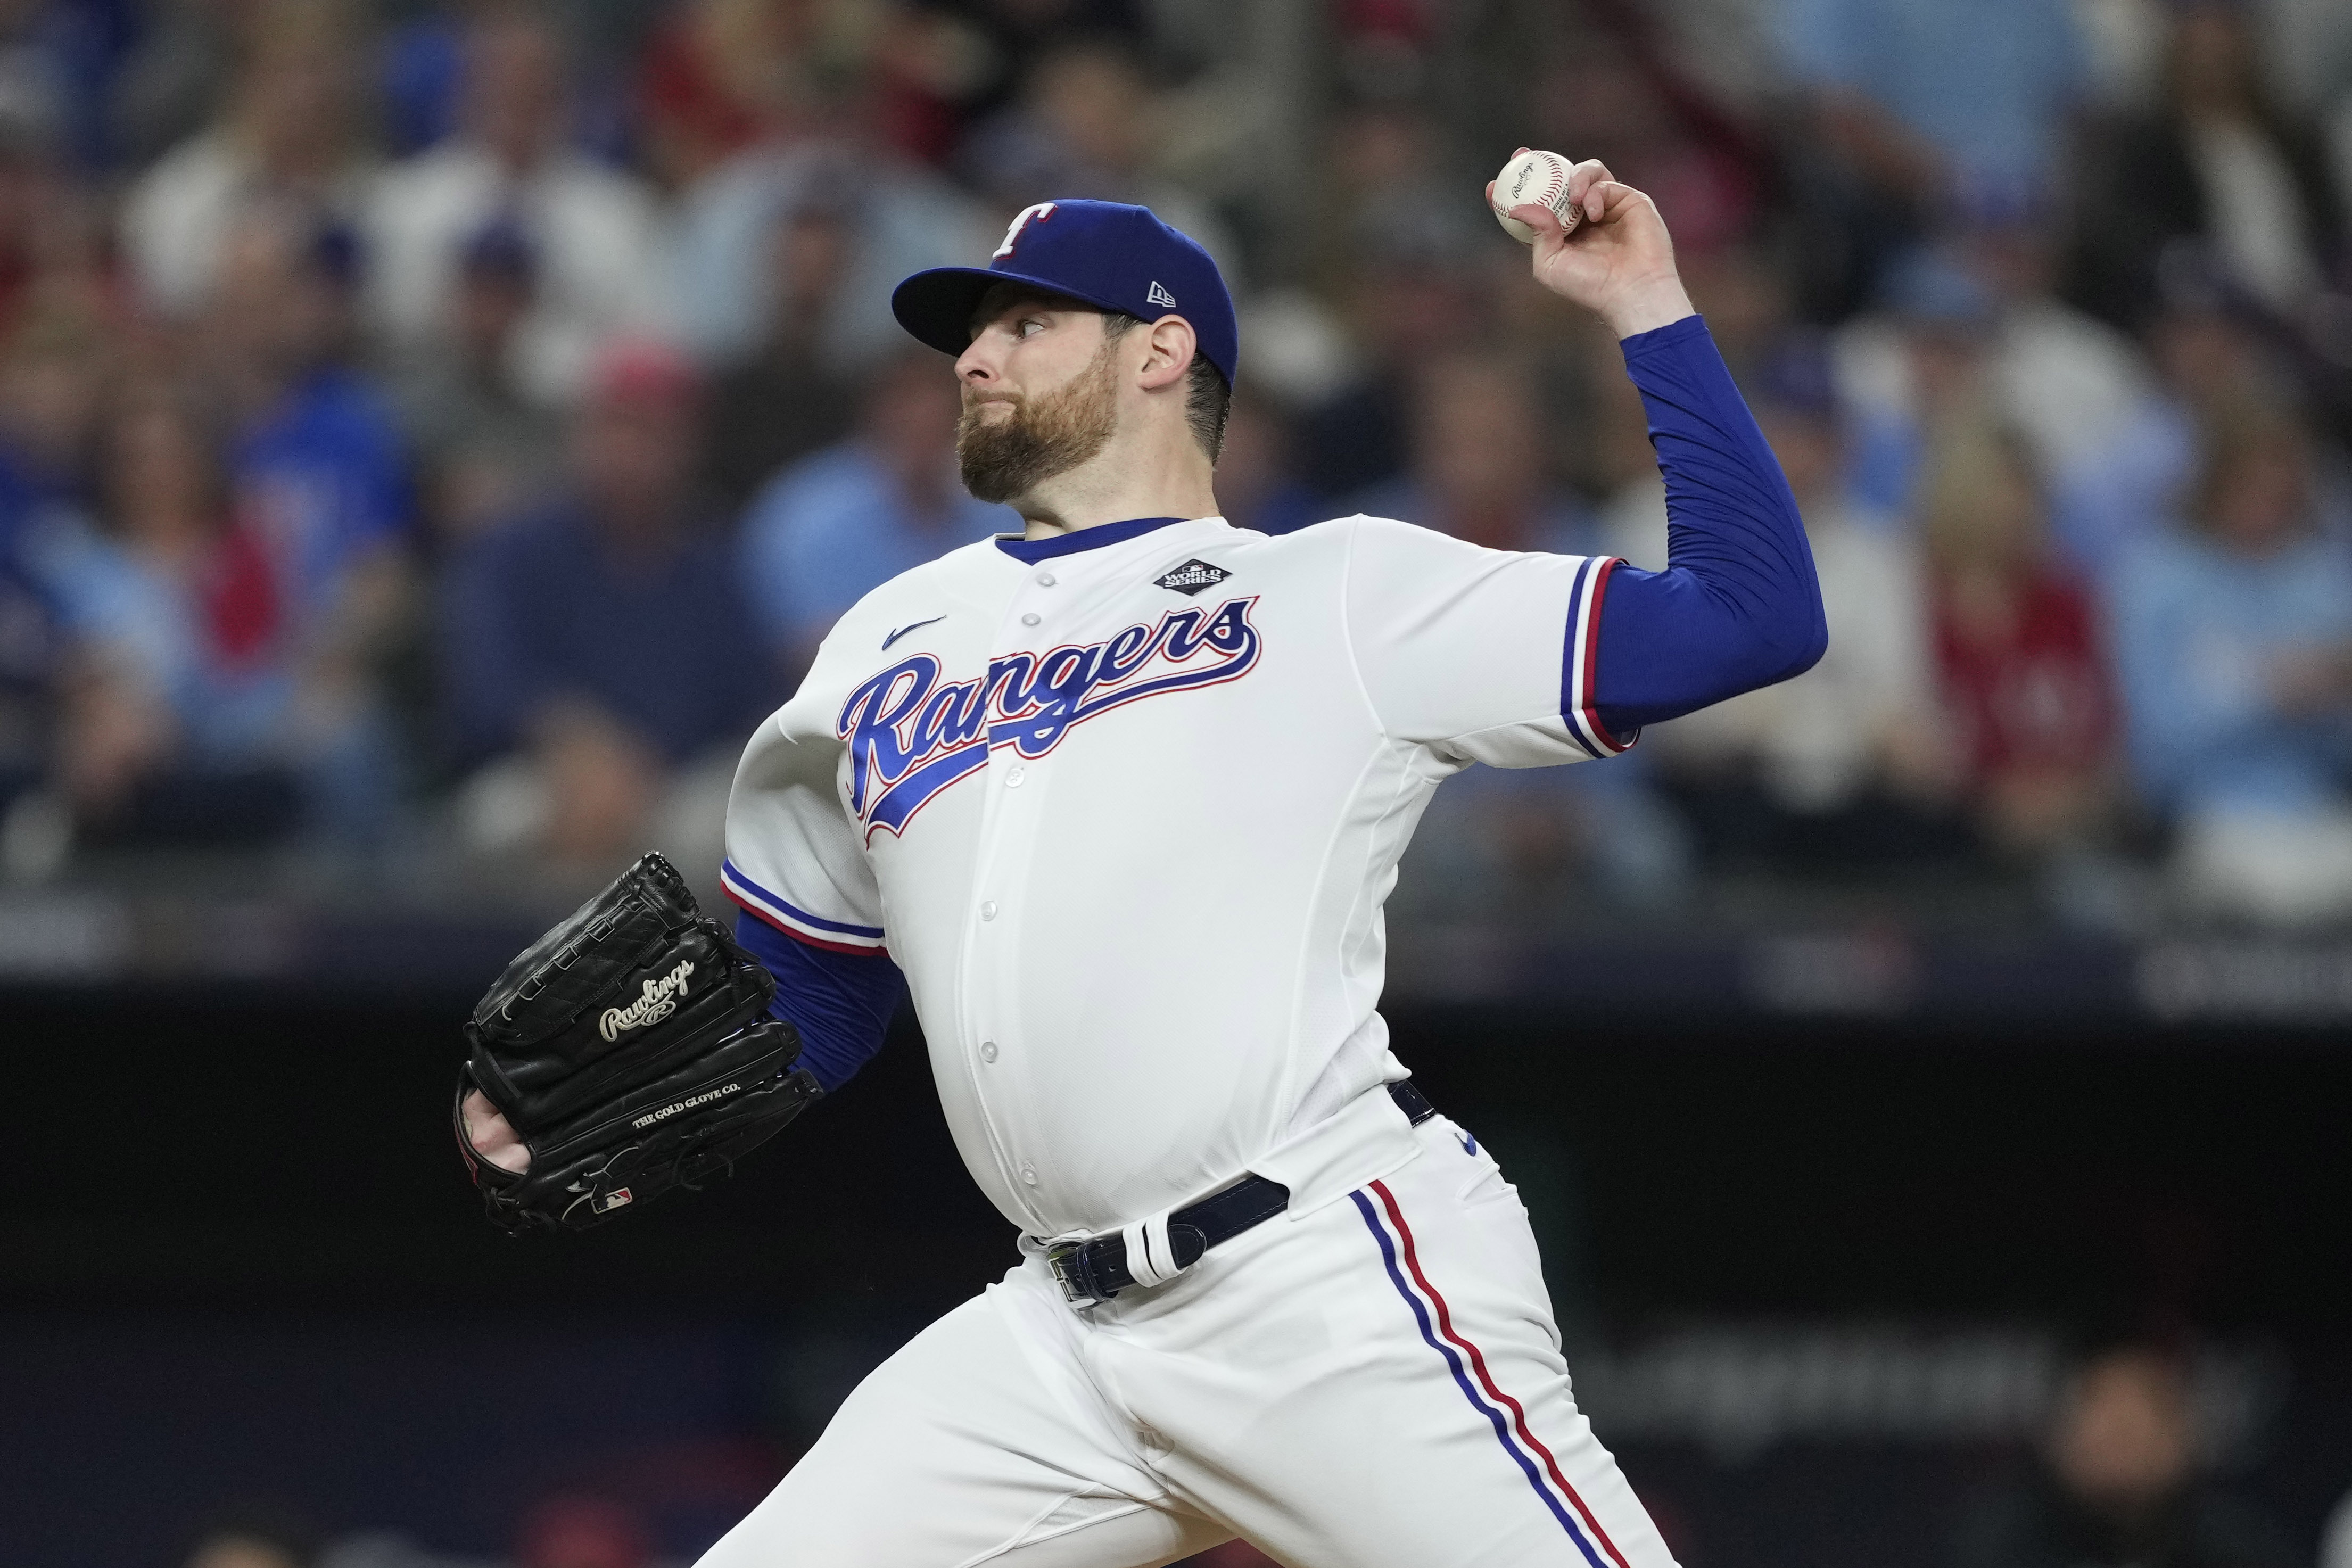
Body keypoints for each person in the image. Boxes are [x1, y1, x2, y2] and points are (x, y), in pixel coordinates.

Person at [469, 174, 1823, 1565]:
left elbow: (1749, 616)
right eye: (971, 332)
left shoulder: (1336, 595)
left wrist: (1646, 306)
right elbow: (815, 987)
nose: (975, 355)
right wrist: (624, 1097)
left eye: (1026, 323)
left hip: (1320, 1288)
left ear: (1161, 350)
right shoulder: (889, 638)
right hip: (1061, 1345)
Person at [439, 337, 772, 885]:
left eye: (651, 433)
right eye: (614, 428)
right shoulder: (517, 546)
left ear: (688, 446)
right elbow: (485, 688)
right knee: (491, 821)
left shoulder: (715, 558)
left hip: (672, 783)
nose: (629, 452)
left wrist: (638, 768)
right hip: (544, 773)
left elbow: (754, 702)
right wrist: (573, 743)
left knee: (720, 830)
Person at [2107, 394, 2352, 923]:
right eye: (2254, 491)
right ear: (2215, 484)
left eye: (2283, 496)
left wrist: (2332, 700)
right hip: (2206, 819)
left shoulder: (2319, 579)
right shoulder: (2159, 577)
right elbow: (2155, 752)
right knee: (2287, 890)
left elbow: (2340, 755)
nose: (2269, 509)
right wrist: (2267, 693)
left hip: (2321, 812)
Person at [364, 2, 669, 409]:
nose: (518, 114)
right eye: (502, 94)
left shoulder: (619, 215)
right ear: (465, 98)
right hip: (432, 420)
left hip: (568, 419)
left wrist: (537, 351)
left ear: (568, 104)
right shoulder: (404, 204)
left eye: (537, 95)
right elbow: (382, 330)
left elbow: (645, 349)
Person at [738, 348, 1014, 679]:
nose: (926, 416)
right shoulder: (805, 511)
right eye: (908, 401)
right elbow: (807, 649)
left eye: (940, 403)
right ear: (875, 409)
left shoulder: (1004, 506)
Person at [1951, 1340, 2297, 1568]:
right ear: (2060, 1438)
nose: (2120, 1447)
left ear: (2182, 1438)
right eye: (2103, 1425)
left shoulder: (2236, 1545)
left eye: (2138, 1426)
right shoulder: (2002, 1542)